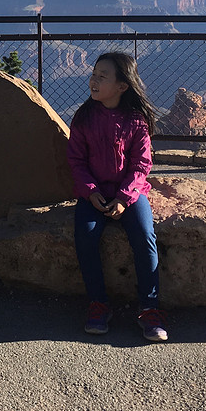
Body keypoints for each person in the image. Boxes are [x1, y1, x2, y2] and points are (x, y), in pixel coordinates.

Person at [66, 51, 168, 342]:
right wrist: (91, 192)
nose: (93, 81)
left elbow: (141, 165)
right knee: (85, 235)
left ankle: (150, 308)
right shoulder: (84, 118)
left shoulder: (136, 121)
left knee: (144, 235)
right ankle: (98, 304)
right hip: (94, 194)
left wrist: (125, 197)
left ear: (122, 86)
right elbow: (77, 161)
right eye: (94, 74)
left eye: (102, 77)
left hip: (130, 194)